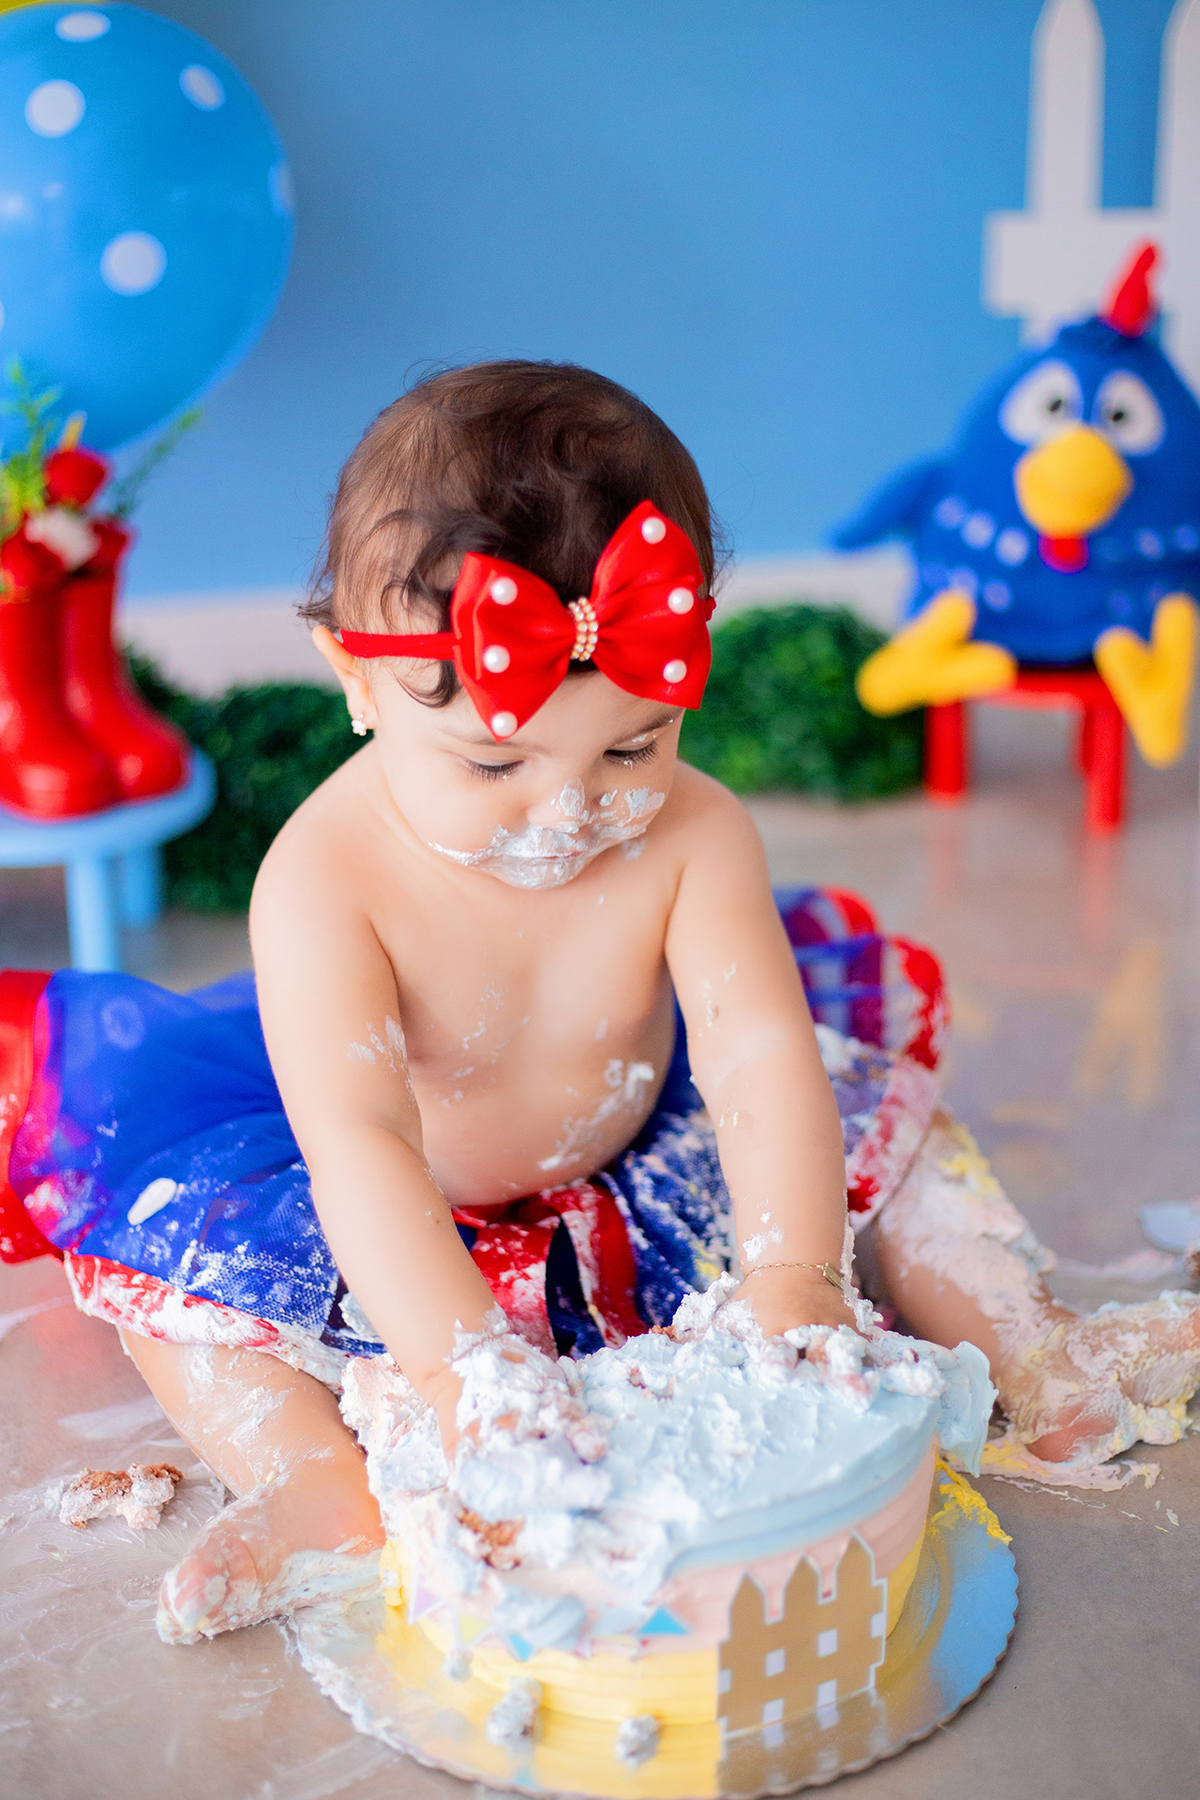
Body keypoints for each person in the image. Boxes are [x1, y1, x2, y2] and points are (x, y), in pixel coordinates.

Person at [2, 362, 1197, 1647]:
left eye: (631, 746)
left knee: (886, 1129)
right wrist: (461, 1371)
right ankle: (311, 1485)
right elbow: (362, 1140)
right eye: (494, 761)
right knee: (171, 1287)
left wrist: (796, 1274)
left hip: (646, 1147)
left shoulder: (695, 835)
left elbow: (754, 1057)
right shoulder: (320, 881)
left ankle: (1025, 1338)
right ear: (353, 677)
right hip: (388, 1214)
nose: (568, 809)